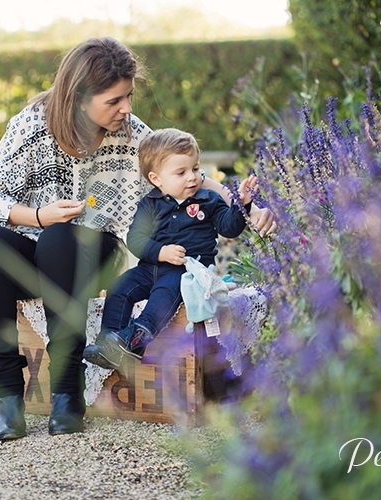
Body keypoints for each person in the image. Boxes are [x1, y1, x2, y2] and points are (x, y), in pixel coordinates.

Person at [0, 37, 277, 441]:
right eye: (114, 100)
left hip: (97, 252)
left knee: (60, 240)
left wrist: (247, 207)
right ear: (78, 97)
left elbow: (189, 177)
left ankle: (66, 391)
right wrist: (39, 216)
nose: (126, 108)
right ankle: (6, 395)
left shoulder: (132, 135)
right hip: (38, 247)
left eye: (128, 97)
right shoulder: (30, 126)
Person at [83, 128, 255, 371]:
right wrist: (160, 252)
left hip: (186, 271)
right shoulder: (150, 204)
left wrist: (242, 204)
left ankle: (134, 341)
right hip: (150, 267)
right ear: (157, 179)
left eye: (195, 168)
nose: (192, 177)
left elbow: (230, 227)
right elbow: (136, 239)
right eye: (181, 172)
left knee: (162, 296)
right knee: (119, 288)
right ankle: (108, 342)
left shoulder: (208, 200)